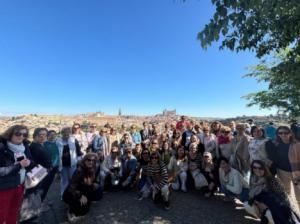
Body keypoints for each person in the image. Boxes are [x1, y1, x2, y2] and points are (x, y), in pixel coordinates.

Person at [0, 125, 33, 224]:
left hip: (20, 185)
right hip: (5, 188)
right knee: (1, 214)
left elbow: (31, 160)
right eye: (18, 134)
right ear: (10, 134)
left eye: (24, 134)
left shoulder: (24, 146)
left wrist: (29, 163)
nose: (21, 137)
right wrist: (19, 166)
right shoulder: (2, 148)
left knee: (14, 211)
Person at [267, 126, 300, 212]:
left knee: (299, 196)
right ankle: (291, 214)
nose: (283, 135)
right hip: (282, 172)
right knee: (286, 194)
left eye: (285, 132)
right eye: (280, 133)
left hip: (296, 173)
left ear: (290, 133)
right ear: (277, 134)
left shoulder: (297, 145)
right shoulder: (275, 144)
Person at [63, 153, 102, 222]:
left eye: (93, 160)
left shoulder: (92, 169)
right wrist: (80, 196)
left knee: (98, 192)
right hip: (72, 193)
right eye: (89, 160)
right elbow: (71, 187)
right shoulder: (80, 171)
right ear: (84, 160)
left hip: (83, 189)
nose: (91, 162)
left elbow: (91, 180)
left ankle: (82, 202)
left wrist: (94, 183)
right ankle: (70, 210)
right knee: (84, 210)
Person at [57, 127, 82, 197]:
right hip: (63, 165)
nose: (66, 134)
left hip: (72, 164)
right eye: (65, 132)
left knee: (73, 180)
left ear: (70, 133)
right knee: (64, 181)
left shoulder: (74, 140)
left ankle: (73, 194)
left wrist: (79, 161)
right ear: (62, 133)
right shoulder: (58, 141)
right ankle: (64, 195)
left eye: (68, 132)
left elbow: (78, 151)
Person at [29, 128, 53, 204]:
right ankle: (38, 206)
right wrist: (44, 170)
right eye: (41, 135)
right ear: (35, 136)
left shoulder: (40, 145)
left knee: (42, 188)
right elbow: (33, 163)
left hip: (43, 171)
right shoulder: (33, 147)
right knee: (39, 189)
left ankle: (40, 203)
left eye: (45, 135)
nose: (43, 137)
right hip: (39, 171)